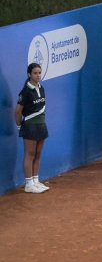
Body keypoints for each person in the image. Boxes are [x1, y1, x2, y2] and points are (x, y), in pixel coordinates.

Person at [14, 63, 49, 194]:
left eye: (39, 72)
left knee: (38, 155)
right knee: (29, 155)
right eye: (35, 73)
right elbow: (18, 112)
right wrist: (19, 126)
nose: (38, 75)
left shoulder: (42, 88)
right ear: (29, 75)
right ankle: (28, 184)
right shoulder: (25, 92)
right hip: (30, 126)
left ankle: (35, 181)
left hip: (41, 125)